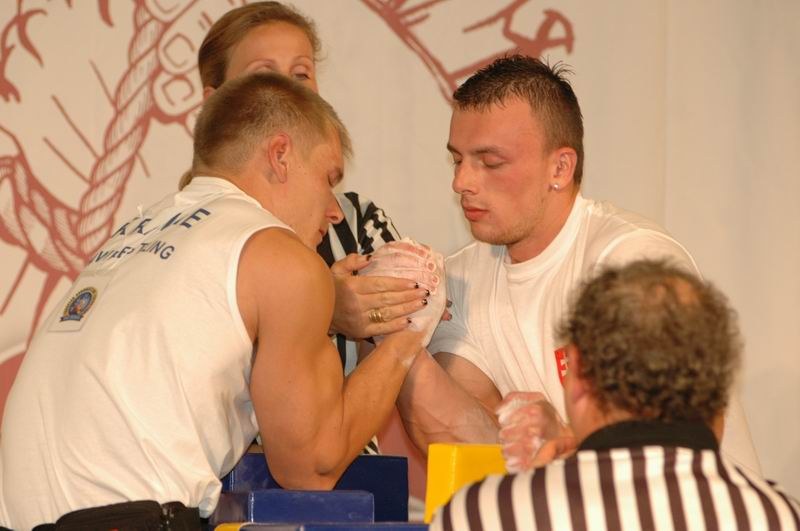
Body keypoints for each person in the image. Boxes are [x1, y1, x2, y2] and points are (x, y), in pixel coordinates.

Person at [0, 73, 442, 530]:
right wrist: (408, 336)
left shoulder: (141, 229)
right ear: (280, 155)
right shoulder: (283, 258)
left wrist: (325, 307)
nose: (335, 210)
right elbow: (312, 465)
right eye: (329, 178)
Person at [397, 55, 761, 473]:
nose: (462, 182)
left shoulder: (633, 263)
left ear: (560, 167)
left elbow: (660, 453)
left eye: (490, 162)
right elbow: (472, 442)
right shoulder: (460, 279)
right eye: (458, 159)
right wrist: (393, 333)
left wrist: (567, 439)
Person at [431, 260, 800, 531]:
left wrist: (530, 495)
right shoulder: (773, 517)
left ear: (575, 375)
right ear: (717, 393)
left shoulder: (484, 513)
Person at [184, 1, 426, 380]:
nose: (286, 91)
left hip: (344, 437)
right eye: (263, 76)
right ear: (216, 102)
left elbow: (414, 350)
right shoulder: (188, 229)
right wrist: (320, 307)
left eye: (301, 74)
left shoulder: (354, 220)